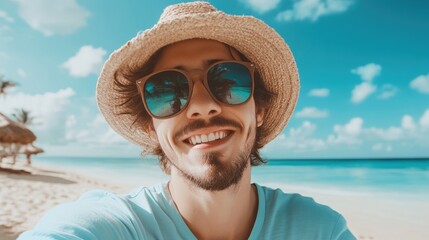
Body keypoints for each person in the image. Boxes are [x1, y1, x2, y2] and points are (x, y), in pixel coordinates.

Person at [19, 2, 356, 239]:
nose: (202, 106)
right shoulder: (112, 226)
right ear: (150, 125)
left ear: (260, 109)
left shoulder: (321, 230)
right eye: (167, 90)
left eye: (227, 81)